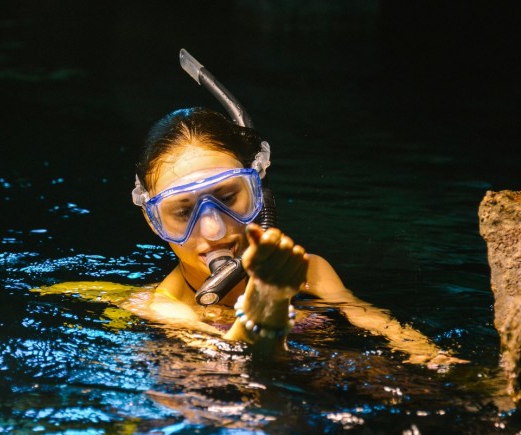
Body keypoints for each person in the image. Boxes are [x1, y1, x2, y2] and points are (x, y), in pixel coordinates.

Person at [122, 106, 465, 367]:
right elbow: (235, 365)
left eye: (228, 198)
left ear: (259, 190)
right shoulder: (167, 307)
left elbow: (376, 322)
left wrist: (436, 358)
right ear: (153, 221)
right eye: (183, 213)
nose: (214, 230)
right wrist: (265, 308)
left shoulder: (309, 270)